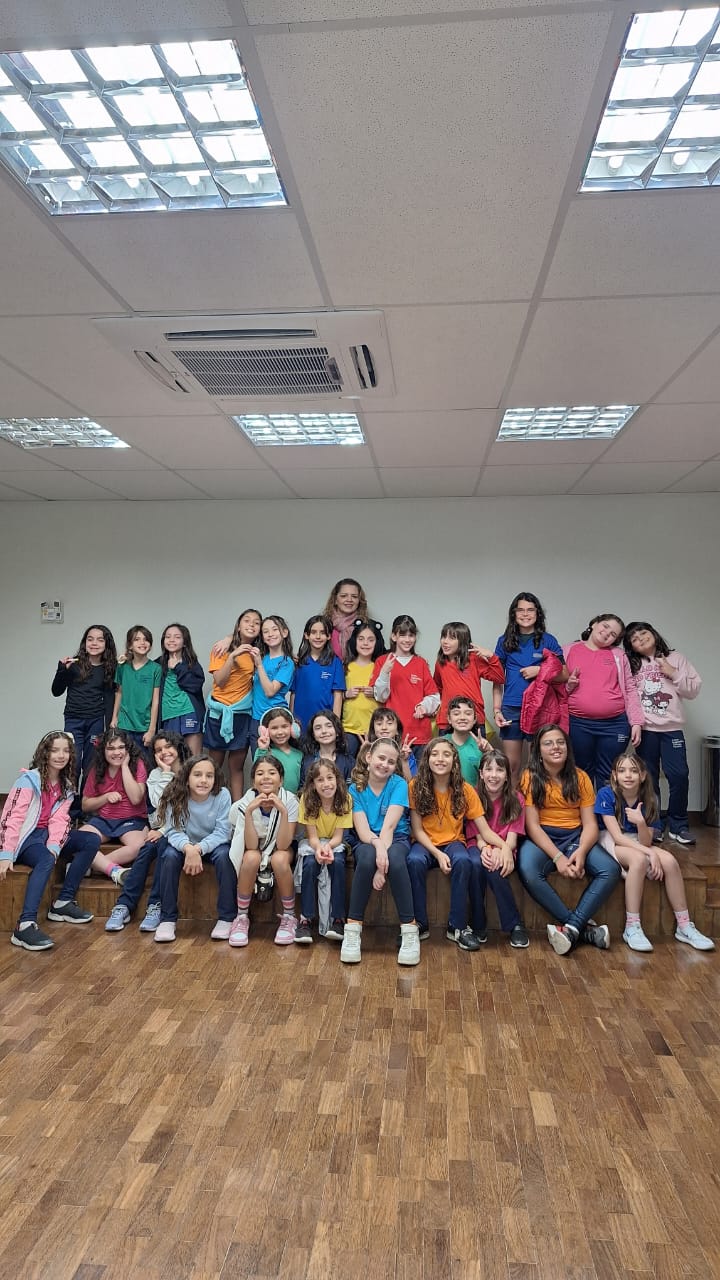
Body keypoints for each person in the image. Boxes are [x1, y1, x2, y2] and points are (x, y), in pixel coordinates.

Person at [517, 724, 621, 955]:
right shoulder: (529, 777)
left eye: (560, 742)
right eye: (548, 743)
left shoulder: (580, 777)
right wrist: (558, 858)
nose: (556, 747)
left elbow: (590, 824)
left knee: (610, 869)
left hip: (575, 835)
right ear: (538, 751)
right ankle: (581, 928)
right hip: (542, 837)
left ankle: (571, 928)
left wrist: (581, 852)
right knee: (527, 869)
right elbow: (532, 826)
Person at [595, 752, 713, 953]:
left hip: (637, 841)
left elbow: (646, 841)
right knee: (639, 860)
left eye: (634, 771)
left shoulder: (650, 798)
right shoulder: (606, 794)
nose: (628, 775)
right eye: (622, 771)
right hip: (611, 841)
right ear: (614, 775)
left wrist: (641, 822)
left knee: (671, 862)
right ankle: (632, 926)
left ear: (642, 775)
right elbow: (617, 838)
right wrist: (650, 854)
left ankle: (684, 925)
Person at [0, 731, 100, 950]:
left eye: (65, 751)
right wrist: (5, 853)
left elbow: (60, 820)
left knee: (91, 840)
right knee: (45, 859)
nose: (60, 755)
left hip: (46, 835)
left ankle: (63, 902)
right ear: (44, 753)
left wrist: (54, 846)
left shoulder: (66, 785)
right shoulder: (28, 780)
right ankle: (25, 925)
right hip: (27, 838)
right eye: (55, 750)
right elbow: (12, 818)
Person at [341, 738, 420, 966]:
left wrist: (381, 869)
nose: (385, 764)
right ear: (369, 757)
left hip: (396, 837)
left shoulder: (399, 784)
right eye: (381, 758)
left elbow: (389, 827)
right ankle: (353, 930)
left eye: (391, 762)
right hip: (368, 839)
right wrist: (377, 852)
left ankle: (409, 931)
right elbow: (363, 830)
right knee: (366, 858)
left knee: (396, 860)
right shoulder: (355, 789)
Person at [623, 621, 702, 846]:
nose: (640, 639)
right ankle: (653, 824)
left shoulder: (676, 658)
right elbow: (628, 696)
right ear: (631, 647)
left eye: (643, 633)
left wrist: (673, 673)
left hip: (672, 730)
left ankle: (679, 825)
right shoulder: (632, 664)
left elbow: (693, 690)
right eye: (634, 639)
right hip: (646, 731)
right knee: (648, 779)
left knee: (679, 776)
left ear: (654, 634)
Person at [104, 731, 190, 933]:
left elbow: (187, 812)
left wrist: (163, 831)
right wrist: (166, 772)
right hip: (161, 829)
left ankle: (155, 905)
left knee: (162, 847)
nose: (164, 752)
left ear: (178, 747)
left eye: (168, 747)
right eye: (158, 750)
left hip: (184, 831)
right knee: (146, 850)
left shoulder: (192, 772)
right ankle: (124, 905)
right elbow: (161, 803)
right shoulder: (155, 775)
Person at [407, 738, 485, 951]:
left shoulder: (466, 789)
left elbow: (484, 829)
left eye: (446, 754)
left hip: (453, 841)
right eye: (434, 754)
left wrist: (504, 847)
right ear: (427, 759)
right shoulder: (415, 786)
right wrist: (437, 854)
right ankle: (419, 924)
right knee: (414, 860)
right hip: (425, 842)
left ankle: (457, 926)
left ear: (455, 761)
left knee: (463, 860)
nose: (440, 759)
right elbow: (417, 830)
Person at [154, 755, 235, 943]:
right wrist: (189, 849)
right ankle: (167, 919)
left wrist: (198, 849)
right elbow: (173, 831)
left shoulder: (222, 794)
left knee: (225, 856)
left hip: (212, 845)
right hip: (185, 845)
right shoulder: (176, 795)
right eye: (197, 775)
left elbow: (223, 832)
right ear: (187, 778)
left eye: (209, 776)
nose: (204, 780)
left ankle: (227, 917)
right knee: (168, 855)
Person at [493, 592, 566, 784]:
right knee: (511, 766)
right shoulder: (504, 641)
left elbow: (564, 673)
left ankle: (538, 802)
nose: (525, 614)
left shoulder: (548, 640)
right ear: (514, 614)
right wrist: (497, 709)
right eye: (521, 610)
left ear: (537, 613)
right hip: (511, 708)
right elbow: (496, 679)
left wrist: (540, 671)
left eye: (530, 610)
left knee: (539, 765)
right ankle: (514, 803)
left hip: (539, 708)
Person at [227, 756, 299, 947]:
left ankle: (289, 916)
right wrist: (249, 812)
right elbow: (251, 845)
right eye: (260, 773)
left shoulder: (290, 801)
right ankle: (241, 917)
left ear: (281, 780)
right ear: (253, 782)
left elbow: (283, 844)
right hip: (257, 847)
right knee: (251, 858)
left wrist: (283, 811)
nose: (266, 777)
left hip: (282, 847)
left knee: (279, 859)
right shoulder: (246, 803)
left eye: (272, 773)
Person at [565, 613, 643, 789]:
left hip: (615, 725)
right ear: (594, 624)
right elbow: (556, 688)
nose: (607, 633)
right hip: (578, 723)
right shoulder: (568, 650)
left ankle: (605, 808)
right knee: (581, 772)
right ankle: (586, 808)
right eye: (606, 626)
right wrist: (568, 685)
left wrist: (636, 722)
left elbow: (630, 689)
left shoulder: (619, 655)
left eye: (613, 634)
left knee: (608, 773)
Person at [466, 749, 528, 948]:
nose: (494, 775)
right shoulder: (473, 795)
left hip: (505, 847)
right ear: (481, 773)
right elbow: (477, 832)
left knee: (494, 867)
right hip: (478, 844)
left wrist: (504, 850)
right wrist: (485, 847)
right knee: (475, 864)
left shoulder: (516, 799)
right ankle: (477, 922)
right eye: (489, 769)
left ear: (507, 776)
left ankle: (514, 924)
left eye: (500, 770)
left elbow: (513, 837)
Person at [204, 608, 262, 802]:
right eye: (247, 620)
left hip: (242, 714)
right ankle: (211, 807)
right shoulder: (221, 648)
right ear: (238, 625)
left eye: (256, 622)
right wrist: (232, 656)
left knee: (236, 767)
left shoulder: (257, 653)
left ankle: (237, 812)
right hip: (219, 713)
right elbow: (220, 681)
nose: (251, 625)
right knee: (213, 767)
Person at [51, 623, 117, 792]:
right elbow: (56, 691)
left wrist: (110, 724)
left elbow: (110, 698)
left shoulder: (110, 668)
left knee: (90, 763)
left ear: (106, 644)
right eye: (90, 639)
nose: (94, 643)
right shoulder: (74, 664)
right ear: (84, 642)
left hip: (96, 720)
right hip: (73, 719)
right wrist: (62, 670)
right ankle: (70, 803)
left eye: (100, 640)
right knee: (73, 762)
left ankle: (85, 802)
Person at [79, 728, 149, 882]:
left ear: (128, 749)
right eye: (111, 748)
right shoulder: (97, 768)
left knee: (139, 846)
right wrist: (105, 798)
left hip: (132, 820)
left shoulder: (137, 764)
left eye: (121, 747)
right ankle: (113, 870)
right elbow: (85, 805)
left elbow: (136, 798)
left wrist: (124, 767)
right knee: (75, 840)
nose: (116, 752)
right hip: (103, 820)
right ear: (103, 751)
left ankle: (87, 865)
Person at [371, 615, 439, 766]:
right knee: (394, 776)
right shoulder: (382, 662)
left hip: (419, 734)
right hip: (392, 734)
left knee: (419, 777)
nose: (407, 640)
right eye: (402, 635)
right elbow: (380, 697)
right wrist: (385, 672)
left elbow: (434, 696)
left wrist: (423, 707)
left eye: (411, 635)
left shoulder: (421, 663)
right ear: (393, 636)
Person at [295, 761, 352, 944]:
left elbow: (338, 836)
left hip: (335, 843)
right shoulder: (306, 799)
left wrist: (328, 848)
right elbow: (312, 836)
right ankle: (306, 919)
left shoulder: (345, 799)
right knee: (310, 864)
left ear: (337, 779)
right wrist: (319, 848)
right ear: (312, 784)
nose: (326, 784)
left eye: (330, 778)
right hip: (314, 843)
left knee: (338, 863)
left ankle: (338, 919)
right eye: (320, 780)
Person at [433, 620, 504, 735]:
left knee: (477, 747)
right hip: (447, 721)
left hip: (474, 720)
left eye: (451, 638)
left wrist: (491, 656)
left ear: (462, 641)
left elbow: (499, 678)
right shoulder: (440, 663)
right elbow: (437, 688)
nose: (445, 641)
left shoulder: (474, 659)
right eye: (443, 637)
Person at [291, 614, 345, 732]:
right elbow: (294, 693)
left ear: (329, 636)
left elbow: (338, 695)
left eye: (322, 632)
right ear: (306, 635)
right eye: (314, 632)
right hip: (300, 721)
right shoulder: (299, 662)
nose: (318, 636)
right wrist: (291, 719)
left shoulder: (335, 662)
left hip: (324, 722)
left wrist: (335, 723)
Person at [157, 622, 205, 756]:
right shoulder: (157, 664)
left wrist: (177, 668)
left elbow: (195, 686)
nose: (172, 640)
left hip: (188, 712)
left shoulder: (191, 663)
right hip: (168, 716)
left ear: (184, 642)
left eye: (177, 637)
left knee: (193, 758)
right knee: (172, 758)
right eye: (168, 637)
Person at [112, 625, 161, 752]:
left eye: (146, 639)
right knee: (123, 760)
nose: (142, 642)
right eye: (137, 639)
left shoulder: (156, 668)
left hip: (144, 726)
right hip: (124, 724)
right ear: (130, 645)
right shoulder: (122, 666)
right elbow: (119, 693)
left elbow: (155, 701)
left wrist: (151, 730)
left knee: (143, 762)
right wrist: (114, 717)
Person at [250, 615, 295, 753]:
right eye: (266, 631)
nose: (270, 634)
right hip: (256, 718)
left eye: (275, 629)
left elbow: (270, 691)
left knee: (276, 761)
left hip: (276, 718)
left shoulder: (287, 662)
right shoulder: (262, 658)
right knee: (259, 760)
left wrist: (258, 665)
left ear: (284, 633)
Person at [342, 620, 384, 756]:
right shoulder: (345, 667)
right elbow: (334, 695)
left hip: (372, 728)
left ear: (377, 643)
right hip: (348, 728)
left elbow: (388, 695)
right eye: (361, 639)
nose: (365, 643)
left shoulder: (379, 668)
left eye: (370, 640)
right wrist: (346, 694)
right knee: (347, 761)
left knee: (370, 761)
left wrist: (376, 693)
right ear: (354, 641)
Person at [323, 578, 381, 661]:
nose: (349, 600)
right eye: (344, 596)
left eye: (354, 596)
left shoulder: (370, 626)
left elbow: (379, 658)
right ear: (335, 600)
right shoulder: (323, 625)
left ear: (359, 601)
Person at [253, 707, 303, 795]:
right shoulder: (264, 751)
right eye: (274, 728)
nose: (280, 732)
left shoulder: (299, 754)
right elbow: (257, 770)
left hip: (292, 800)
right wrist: (263, 749)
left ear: (293, 728)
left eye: (284, 726)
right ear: (265, 731)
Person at [299, 711, 355, 786]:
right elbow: (303, 789)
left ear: (337, 731)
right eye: (318, 728)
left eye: (329, 726)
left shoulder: (349, 762)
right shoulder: (307, 762)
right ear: (313, 735)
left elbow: (351, 789)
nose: (324, 731)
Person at [446, 695, 490, 787]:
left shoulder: (482, 746)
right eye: (456, 714)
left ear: (474, 719)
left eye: (468, 713)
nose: (462, 717)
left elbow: (496, 772)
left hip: (473, 794)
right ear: (449, 719)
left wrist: (489, 751)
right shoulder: (440, 743)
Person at [367, 707, 418, 780]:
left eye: (389, 723)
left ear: (397, 730)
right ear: (373, 729)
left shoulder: (405, 752)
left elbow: (410, 783)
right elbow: (361, 779)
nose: (384, 727)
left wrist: (404, 761)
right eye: (379, 724)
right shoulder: (368, 750)